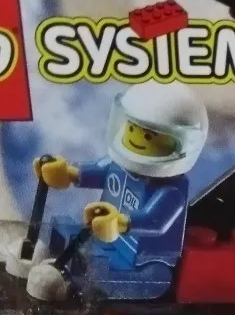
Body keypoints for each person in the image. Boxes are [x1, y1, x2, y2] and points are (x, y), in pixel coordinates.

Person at [27, 81, 208, 301]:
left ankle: (70, 287)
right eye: (132, 129)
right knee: (62, 230)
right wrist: (67, 173)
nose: (136, 139)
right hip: (105, 238)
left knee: (94, 265)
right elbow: (97, 171)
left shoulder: (171, 191)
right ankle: (50, 269)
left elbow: (154, 221)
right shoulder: (120, 166)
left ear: (182, 144)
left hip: (144, 262)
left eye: (149, 137)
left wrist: (119, 223)